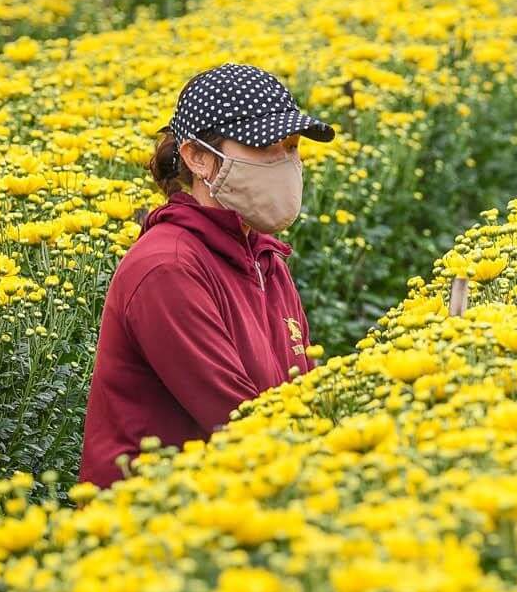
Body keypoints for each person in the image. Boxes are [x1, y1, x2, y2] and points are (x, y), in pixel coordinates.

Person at [77, 63, 335, 490]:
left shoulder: (266, 259)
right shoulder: (168, 268)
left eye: (291, 147)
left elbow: (300, 399)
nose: (286, 163)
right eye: (265, 146)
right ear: (198, 158)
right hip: (154, 528)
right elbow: (240, 420)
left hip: (240, 504)